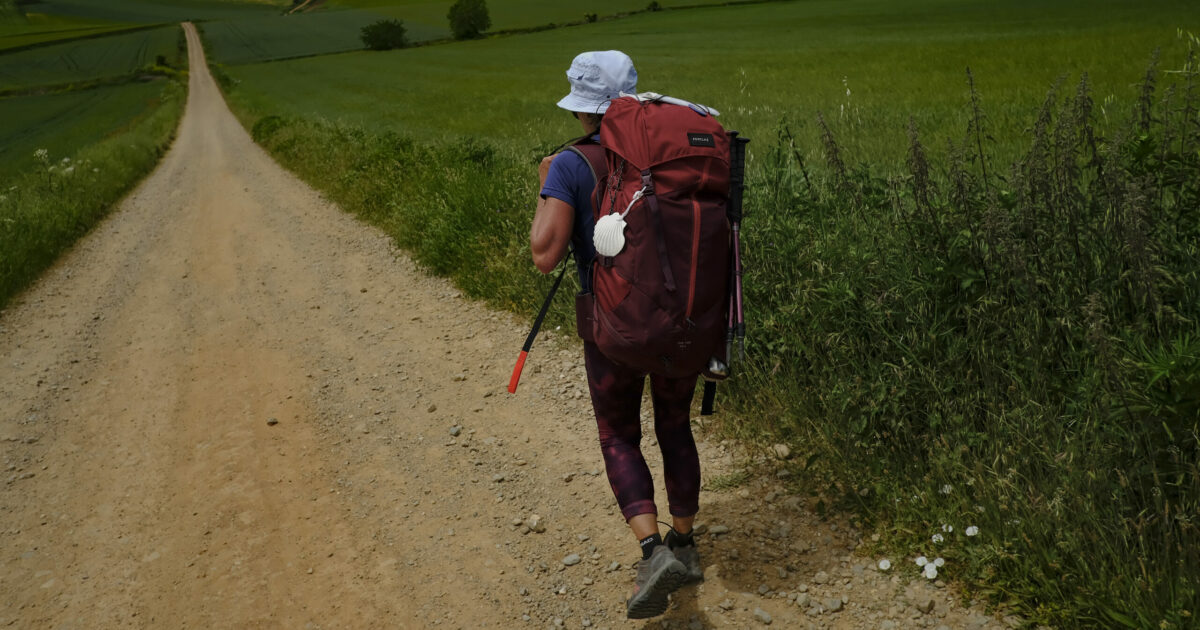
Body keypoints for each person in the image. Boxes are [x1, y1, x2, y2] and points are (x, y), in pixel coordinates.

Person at [529, 50, 705, 620]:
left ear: (583, 111)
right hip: (683, 320)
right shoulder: (668, 155)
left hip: (613, 328)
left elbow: (544, 255)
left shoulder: (570, 163)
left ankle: (653, 552)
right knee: (674, 424)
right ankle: (686, 543)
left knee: (618, 434)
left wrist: (546, 188)